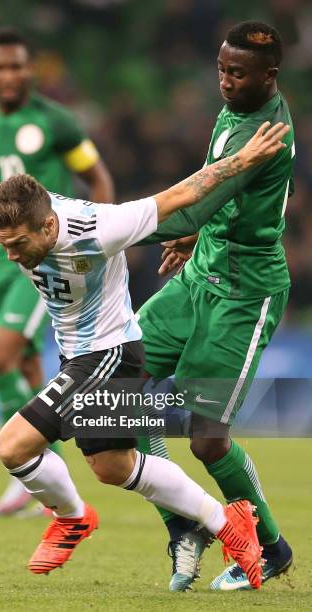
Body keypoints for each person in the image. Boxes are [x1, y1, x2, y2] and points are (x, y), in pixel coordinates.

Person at [0, 120, 289, 588]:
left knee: (13, 445)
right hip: (79, 358)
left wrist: (242, 161)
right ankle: (230, 524)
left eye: (19, 244)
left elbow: (181, 196)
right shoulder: (4, 221)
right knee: (114, 468)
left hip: (110, 355)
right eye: (2, 245)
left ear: (49, 225)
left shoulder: (99, 228)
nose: (10, 255)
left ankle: (72, 517)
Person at [135, 21, 295, 591]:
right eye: (222, 70)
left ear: (269, 77)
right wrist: (195, 238)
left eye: (238, 73)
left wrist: (102, 230)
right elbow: (211, 189)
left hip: (244, 294)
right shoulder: (236, 113)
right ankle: (184, 524)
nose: (226, 81)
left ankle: (271, 547)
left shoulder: (266, 133)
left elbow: (197, 202)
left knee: (206, 438)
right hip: (200, 276)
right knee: (113, 385)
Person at [0, 27, 114, 516]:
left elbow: (96, 177)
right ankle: (45, 480)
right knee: (29, 367)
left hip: (44, 257)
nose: (9, 75)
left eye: (17, 66)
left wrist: (100, 241)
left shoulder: (56, 122)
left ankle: (28, 471)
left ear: (30, 70)